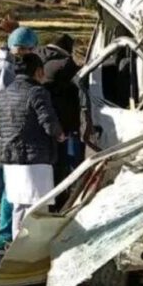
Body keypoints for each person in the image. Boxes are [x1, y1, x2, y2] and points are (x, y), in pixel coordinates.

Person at [0, 53, 65, 244]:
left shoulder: (2, 94)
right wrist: (60, 135)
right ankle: (34, 250)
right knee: (38, 208)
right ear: (39, 71)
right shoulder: (37, 92)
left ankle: (16, 247)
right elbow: (48, 122)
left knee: (18, 206)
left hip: (10, 159)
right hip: (35, 159)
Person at [0, 27, 39, 254]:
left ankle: (8, 233)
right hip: (12, 132)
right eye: (29, 49)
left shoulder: (4, 64)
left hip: (10, 131)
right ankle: (5, 235)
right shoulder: (5, 68)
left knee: (13, 185)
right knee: (12, 187)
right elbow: (6, 100)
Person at [38, 34, 83, 212]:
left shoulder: (38, 58)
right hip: (61, 125)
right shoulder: (64, 64)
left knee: (50, 166)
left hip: (42, 124)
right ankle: (60, 203)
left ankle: (52, 202)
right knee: (61, 166)